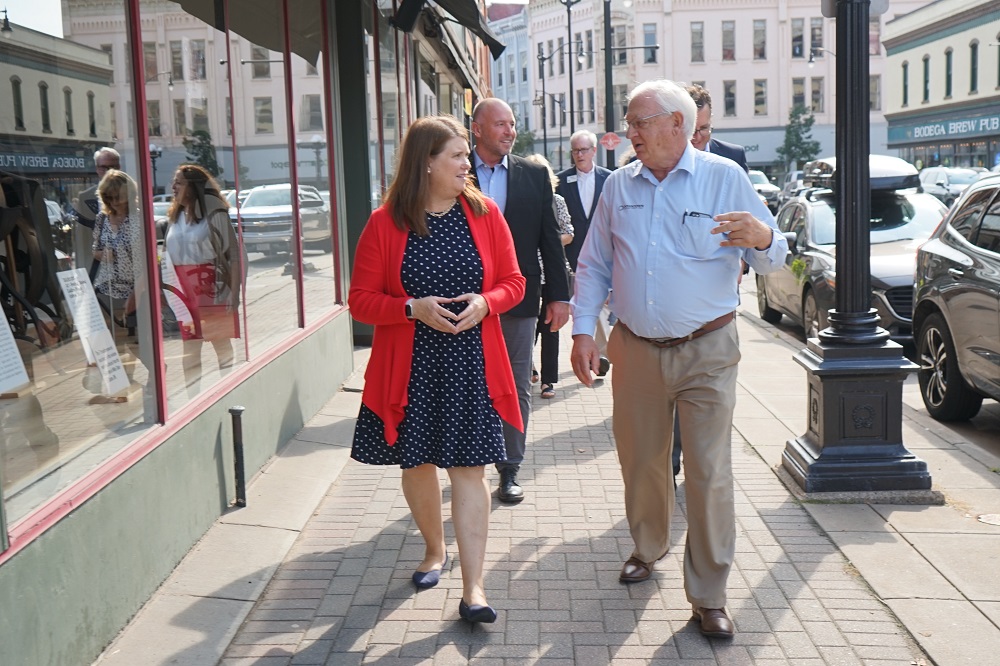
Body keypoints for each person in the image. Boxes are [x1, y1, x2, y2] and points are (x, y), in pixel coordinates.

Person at [570, 79, 787, 639]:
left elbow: (772, 260)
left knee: (709, 473)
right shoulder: (619, 186)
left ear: (677, 125)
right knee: (641, 460)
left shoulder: (724, 178)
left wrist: (763, 236)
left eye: (640, 121)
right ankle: (648, 546)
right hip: (635, 349)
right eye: (629, 121)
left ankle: (709, 593)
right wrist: (583, 333)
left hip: (708, 350)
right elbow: (593, 264)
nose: (630, 131)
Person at [348, 114, 525, 624]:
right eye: (457, 156)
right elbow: (360, 300)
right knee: (417, 464)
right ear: (426, 163)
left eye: (467, 156)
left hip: (471, 363)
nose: (467, 164)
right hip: (412, 367)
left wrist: (487, 304)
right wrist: (410, 308)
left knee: (470, 470)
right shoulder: (386, 223)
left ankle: (474, 590)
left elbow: (513, 281)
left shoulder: (486, 213)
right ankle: (433, 550)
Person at [470, 98, 570, 504]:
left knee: (515, 383)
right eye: (501, 125)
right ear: (476, 128)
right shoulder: (455, 169)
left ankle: (510, 467)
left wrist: (559, 296)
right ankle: (470, 461)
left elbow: (550, 239)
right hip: (466, 299)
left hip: (521, 296)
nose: (510, 131)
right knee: (472, 383)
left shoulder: (533, 175)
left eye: (512, 124)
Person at [164, 164, 242, 396]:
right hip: (183, 291)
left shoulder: (214, 214)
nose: (173, 187)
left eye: (179, 182)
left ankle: (229, 396)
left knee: (221, 346)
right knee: (190, 349)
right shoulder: (174, 216)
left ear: (194, 187)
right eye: (174, 181)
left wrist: (235, 294)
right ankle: (192, 400)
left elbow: (234, 256)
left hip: (211, 287)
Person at [556, 130, 613, 377]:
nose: (579, 155)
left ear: (594, 151)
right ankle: (594, 352)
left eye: (583, 150)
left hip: (603, 253)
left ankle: (599, 354)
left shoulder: (610, 179)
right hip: (572, 255)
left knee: (599, 304)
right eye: (575, 151)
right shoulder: (561, 181)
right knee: (578, 306)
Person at [524, 153, 573, 400]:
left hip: (552, 271)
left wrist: (547, 241)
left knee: (551, 328)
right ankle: (528, 368)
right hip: (528, 273)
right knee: (527, 327)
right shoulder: (521, 201)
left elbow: (569, 233)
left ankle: (548, 381)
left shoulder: (557, 200)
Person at [92, 170, 141, 336]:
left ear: (129, 194)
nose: (114, 202)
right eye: (109, 197)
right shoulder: (102, 218)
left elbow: (149, 256)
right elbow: (95, 250)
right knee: (111, 338)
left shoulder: (140, 218)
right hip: (107, 287)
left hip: (136, 286)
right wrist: (103, 255)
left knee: (137, 340)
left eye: (118, 196)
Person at [74, 147, 121, 279]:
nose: (108, 171)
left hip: (127, 269)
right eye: (103, 167)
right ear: (97, 169)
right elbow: (81, 240)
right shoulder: (85, 197)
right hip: (96, 270)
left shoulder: (133, 194)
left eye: (112, 166)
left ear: (119, 167)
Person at [686, 84, 749, 173]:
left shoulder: (734, 156)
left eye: (704, 128)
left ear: (711, 121)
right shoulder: (666, 159)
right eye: (692, 130)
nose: (697, 137)